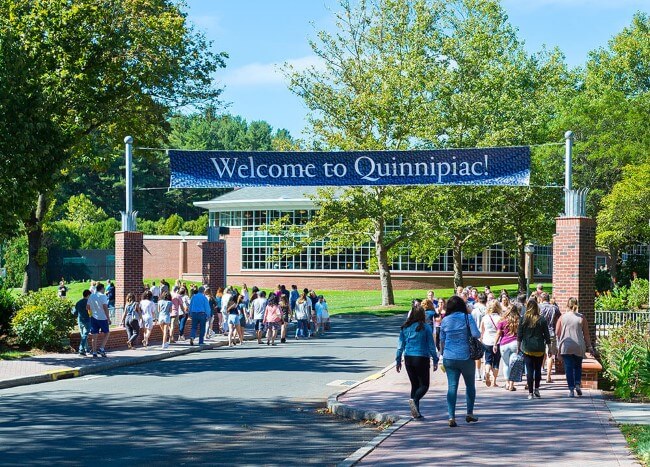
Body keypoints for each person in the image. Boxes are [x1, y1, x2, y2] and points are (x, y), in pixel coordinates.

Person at [440, 295, 480, 427]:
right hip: (466, 356)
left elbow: (442, 339)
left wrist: (442, 354)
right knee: (470, 386)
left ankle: (451, 416)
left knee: (452, 387)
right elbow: (476, 334)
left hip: (449, 356)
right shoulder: (467, 318)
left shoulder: (445, 320)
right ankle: (469, 413)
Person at [396, 304, 439, 419]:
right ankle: (414, 401)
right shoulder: (425, 327)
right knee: (424, 385)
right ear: (422, 315)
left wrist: (398, 360)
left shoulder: (405, 327)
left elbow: (400, 346)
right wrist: (435, 359)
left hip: (409, 358)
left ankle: (416, 412)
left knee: (414, 385)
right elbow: (431, 345)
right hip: (421, 357)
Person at [556, 298, 594, 398]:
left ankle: (571, 389)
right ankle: (577, 384)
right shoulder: (581, 317)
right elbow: (586, 334)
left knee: (568, 368)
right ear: (577, 304)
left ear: (567, 305)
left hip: (566, 345)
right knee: (578, 366)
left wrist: (558, 346)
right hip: (579, 345)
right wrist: (590, 347)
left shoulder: (562, 317)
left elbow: (557, 332)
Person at [518, 299, 551, 400]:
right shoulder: (542, 319)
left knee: (529, 370)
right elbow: (547, 335)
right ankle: (537, 389)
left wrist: (518, 347)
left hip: (527, 348)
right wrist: (549, 348)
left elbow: (519, 335)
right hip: (539, 348)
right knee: (538, 370)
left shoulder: (523, 319)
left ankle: (530, 393)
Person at [494, 305, 520, 391]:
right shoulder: (519, 320)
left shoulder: (502, 321)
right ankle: (512, 384)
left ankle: (507, 383)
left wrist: (495, 344)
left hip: (504, 344)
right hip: (515, 343)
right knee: (514, 364)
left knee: (506, 364)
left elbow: (498, 333)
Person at [539, 293, 561, 383]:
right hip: (551, 332)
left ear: (541, 299)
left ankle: (539, 374)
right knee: (550, 355)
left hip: (539, 333)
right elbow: (559, 318)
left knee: (539, 354)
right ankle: (548, 376)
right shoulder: (554, 308)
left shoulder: (538, 307)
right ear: (548, 299)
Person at [480, 300, 502, 387]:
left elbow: (482, 330)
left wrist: (481, 339)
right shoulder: (500, 318)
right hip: (497, 342)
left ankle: (487, 372)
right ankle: (494, 381)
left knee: (487, 360)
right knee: (496, 362)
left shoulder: (485, 318)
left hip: (487, 341)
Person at [87, 283, 111, 358]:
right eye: (104, 289)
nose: (104, 290)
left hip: (93, 317)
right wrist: (108, 318)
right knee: (107, 333)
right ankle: (101, 348)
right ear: (102, 288)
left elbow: (87, 307)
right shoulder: (103, 296)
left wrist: (91, 315)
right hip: (102, 318)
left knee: (94, 336)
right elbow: (105, 307)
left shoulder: (91, 296)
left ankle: (94, 352)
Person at [471, 293, 487, 381]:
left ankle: (478, 373)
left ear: (477, 299)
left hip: (476, 334)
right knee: (486, 356)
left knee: (478, 356)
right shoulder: (488, 310)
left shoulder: (474, 311)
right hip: (486, 335)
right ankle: (485, 373)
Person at [73, 290, 91, 356]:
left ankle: (87, 349)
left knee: (83, 335)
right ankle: (81, 349)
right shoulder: (89, 303)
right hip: (87, 320)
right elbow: (91, 312)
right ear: (88, 295)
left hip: (80, 320)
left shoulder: (78, 302)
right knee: (85, 335)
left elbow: (75, 312)